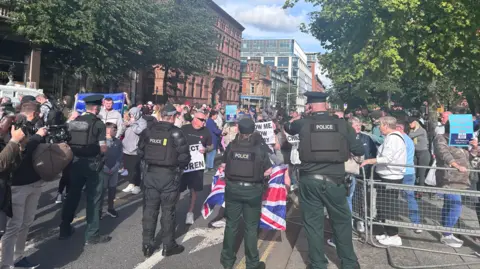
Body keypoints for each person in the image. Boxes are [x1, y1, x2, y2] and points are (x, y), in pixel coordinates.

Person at [284, 92, 364, 269]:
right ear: (326, 105)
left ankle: (318, 264)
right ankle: (349, 263)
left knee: (313, 223)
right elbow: (358, 150)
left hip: (310, 180)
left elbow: (287, 126)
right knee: (341, 222)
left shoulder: (303, 123)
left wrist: (303, 116)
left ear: (310, 106)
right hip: (335, 181)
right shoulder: (342, 125)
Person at [139, 103, 191, 258]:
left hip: (150, 175)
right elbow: (184, 157)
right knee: (168, 211)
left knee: (149, 210)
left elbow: (140, 151)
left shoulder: (148, 131)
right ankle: (168, 245)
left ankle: (147, 244)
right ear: (174, 117)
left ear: (161, 116)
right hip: (169, 176)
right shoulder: (176, 133)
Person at [59, 95, 112, 245]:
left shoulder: (74, 121)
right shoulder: (99, 124)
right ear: (96, 108)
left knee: (72, 196)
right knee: (94, 198)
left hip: (75, 163)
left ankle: (64, 228)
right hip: (93, 164)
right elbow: (103, 148)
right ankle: (92, 234)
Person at [220, 118, 272, 269]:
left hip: (233, 190)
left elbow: (223, 166)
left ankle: (227, 260)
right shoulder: (260, 148)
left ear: (239, 130)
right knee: (251, 227)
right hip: (253, 191)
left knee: (231, 225)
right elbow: (268, 170)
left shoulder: (231, 146)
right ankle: (252, 263)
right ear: (253, 131)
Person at [1, 102, 47, 269]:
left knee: (27, 222)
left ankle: (18, 257)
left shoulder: (36, 126)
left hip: (35, 182)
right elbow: (14, 157)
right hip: (17, 186)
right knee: (14, 226)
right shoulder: (11, 133)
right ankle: (6, 264)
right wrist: (36, 137)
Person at [361, 116, 407, 246]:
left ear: (386, 125)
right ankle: (388, 232)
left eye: (380, 125)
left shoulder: (393, 139)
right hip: (388, 175)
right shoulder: (392, 138)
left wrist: (370, 161)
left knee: (389, 206)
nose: (379, 128)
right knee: (384, 205)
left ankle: (393, 235)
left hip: (390, 176)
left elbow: (387, 158)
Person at [434, 121, 478, 248]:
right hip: (449, 179)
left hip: (461, 180)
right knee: (455, 205)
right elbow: (444, 154)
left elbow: (468, 157)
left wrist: (474, 147)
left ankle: (447, 232)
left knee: (449, 205)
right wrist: (456, 165)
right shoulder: (441, 138)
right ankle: (447, 234)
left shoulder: (460, 141)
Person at [180, 112, 213, 225]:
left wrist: (206, 149)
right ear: (195, 119)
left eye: (205, 120)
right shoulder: (184, 129)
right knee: (177, 188)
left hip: (196, 166)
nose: (204, 122)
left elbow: (211, 146)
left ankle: (190, 212)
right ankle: (172, 210)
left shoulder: (206, 131)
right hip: (183, 165)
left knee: (193, 190)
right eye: (202, 120)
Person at [99, 122, 123, 219]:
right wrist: (104, 167)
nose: (116, 131)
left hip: (114, 170)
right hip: (104, 169)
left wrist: (115, 167)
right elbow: (99, 156)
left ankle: (110, 208)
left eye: (116, 129)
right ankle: (99, 210)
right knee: (102, 190)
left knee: (112, 190)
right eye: (114, 130)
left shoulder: (118, 142)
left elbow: (120, 156)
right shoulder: (101, 141)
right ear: (108, 130)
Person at [122, 107, 147, 195]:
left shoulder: (142, 122)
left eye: (133, 114)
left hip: (135, 149)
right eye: (130, 114)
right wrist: (125, 125)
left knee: (135, 168)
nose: (131, 116)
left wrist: (133, 124)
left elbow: (139, 131)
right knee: (128, 168)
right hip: (126, 148)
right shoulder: (130, 121)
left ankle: (137, 185)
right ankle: (131, 183)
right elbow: (122, 131)